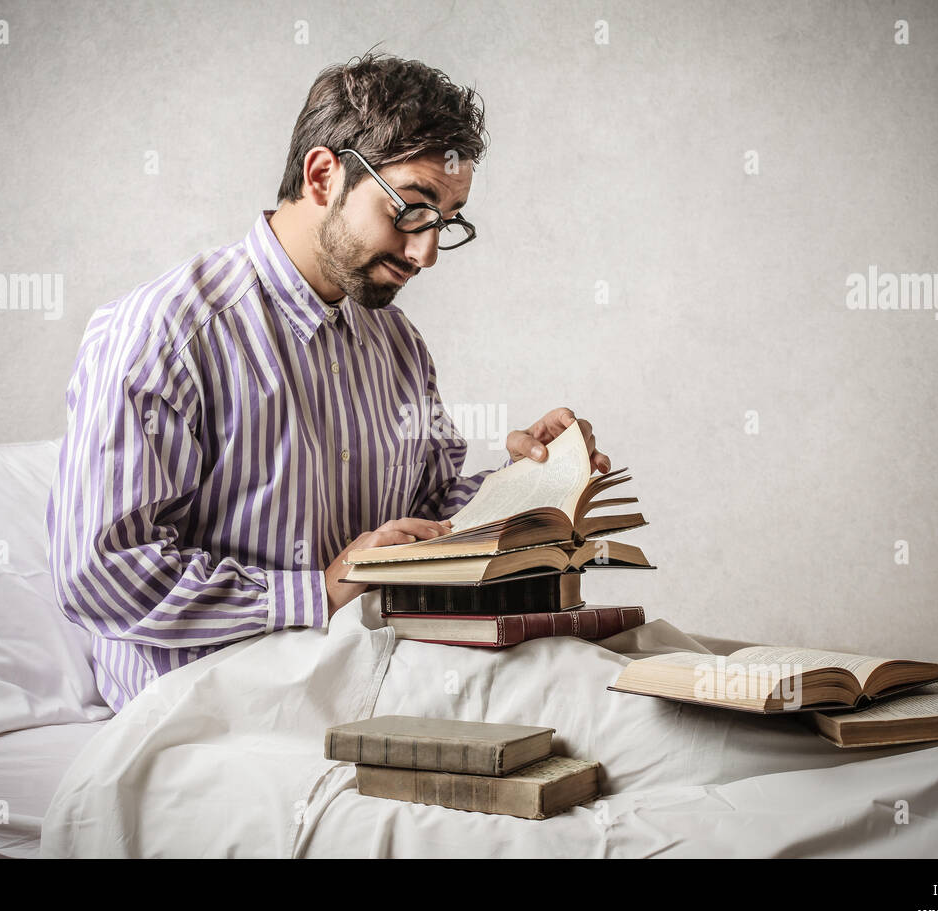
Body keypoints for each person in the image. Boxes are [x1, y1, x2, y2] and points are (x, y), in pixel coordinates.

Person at [45, 51, 610, 713]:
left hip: (374, 672)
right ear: (322, 175)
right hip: (207, 709)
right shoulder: (164, 332)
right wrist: (320, 588)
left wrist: (531, 481)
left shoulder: (395, 343)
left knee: (615, 672)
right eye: (412, 210)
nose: (425, 252)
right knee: (591, 703)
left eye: (446, 222)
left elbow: (427, 509)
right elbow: (100, 574)